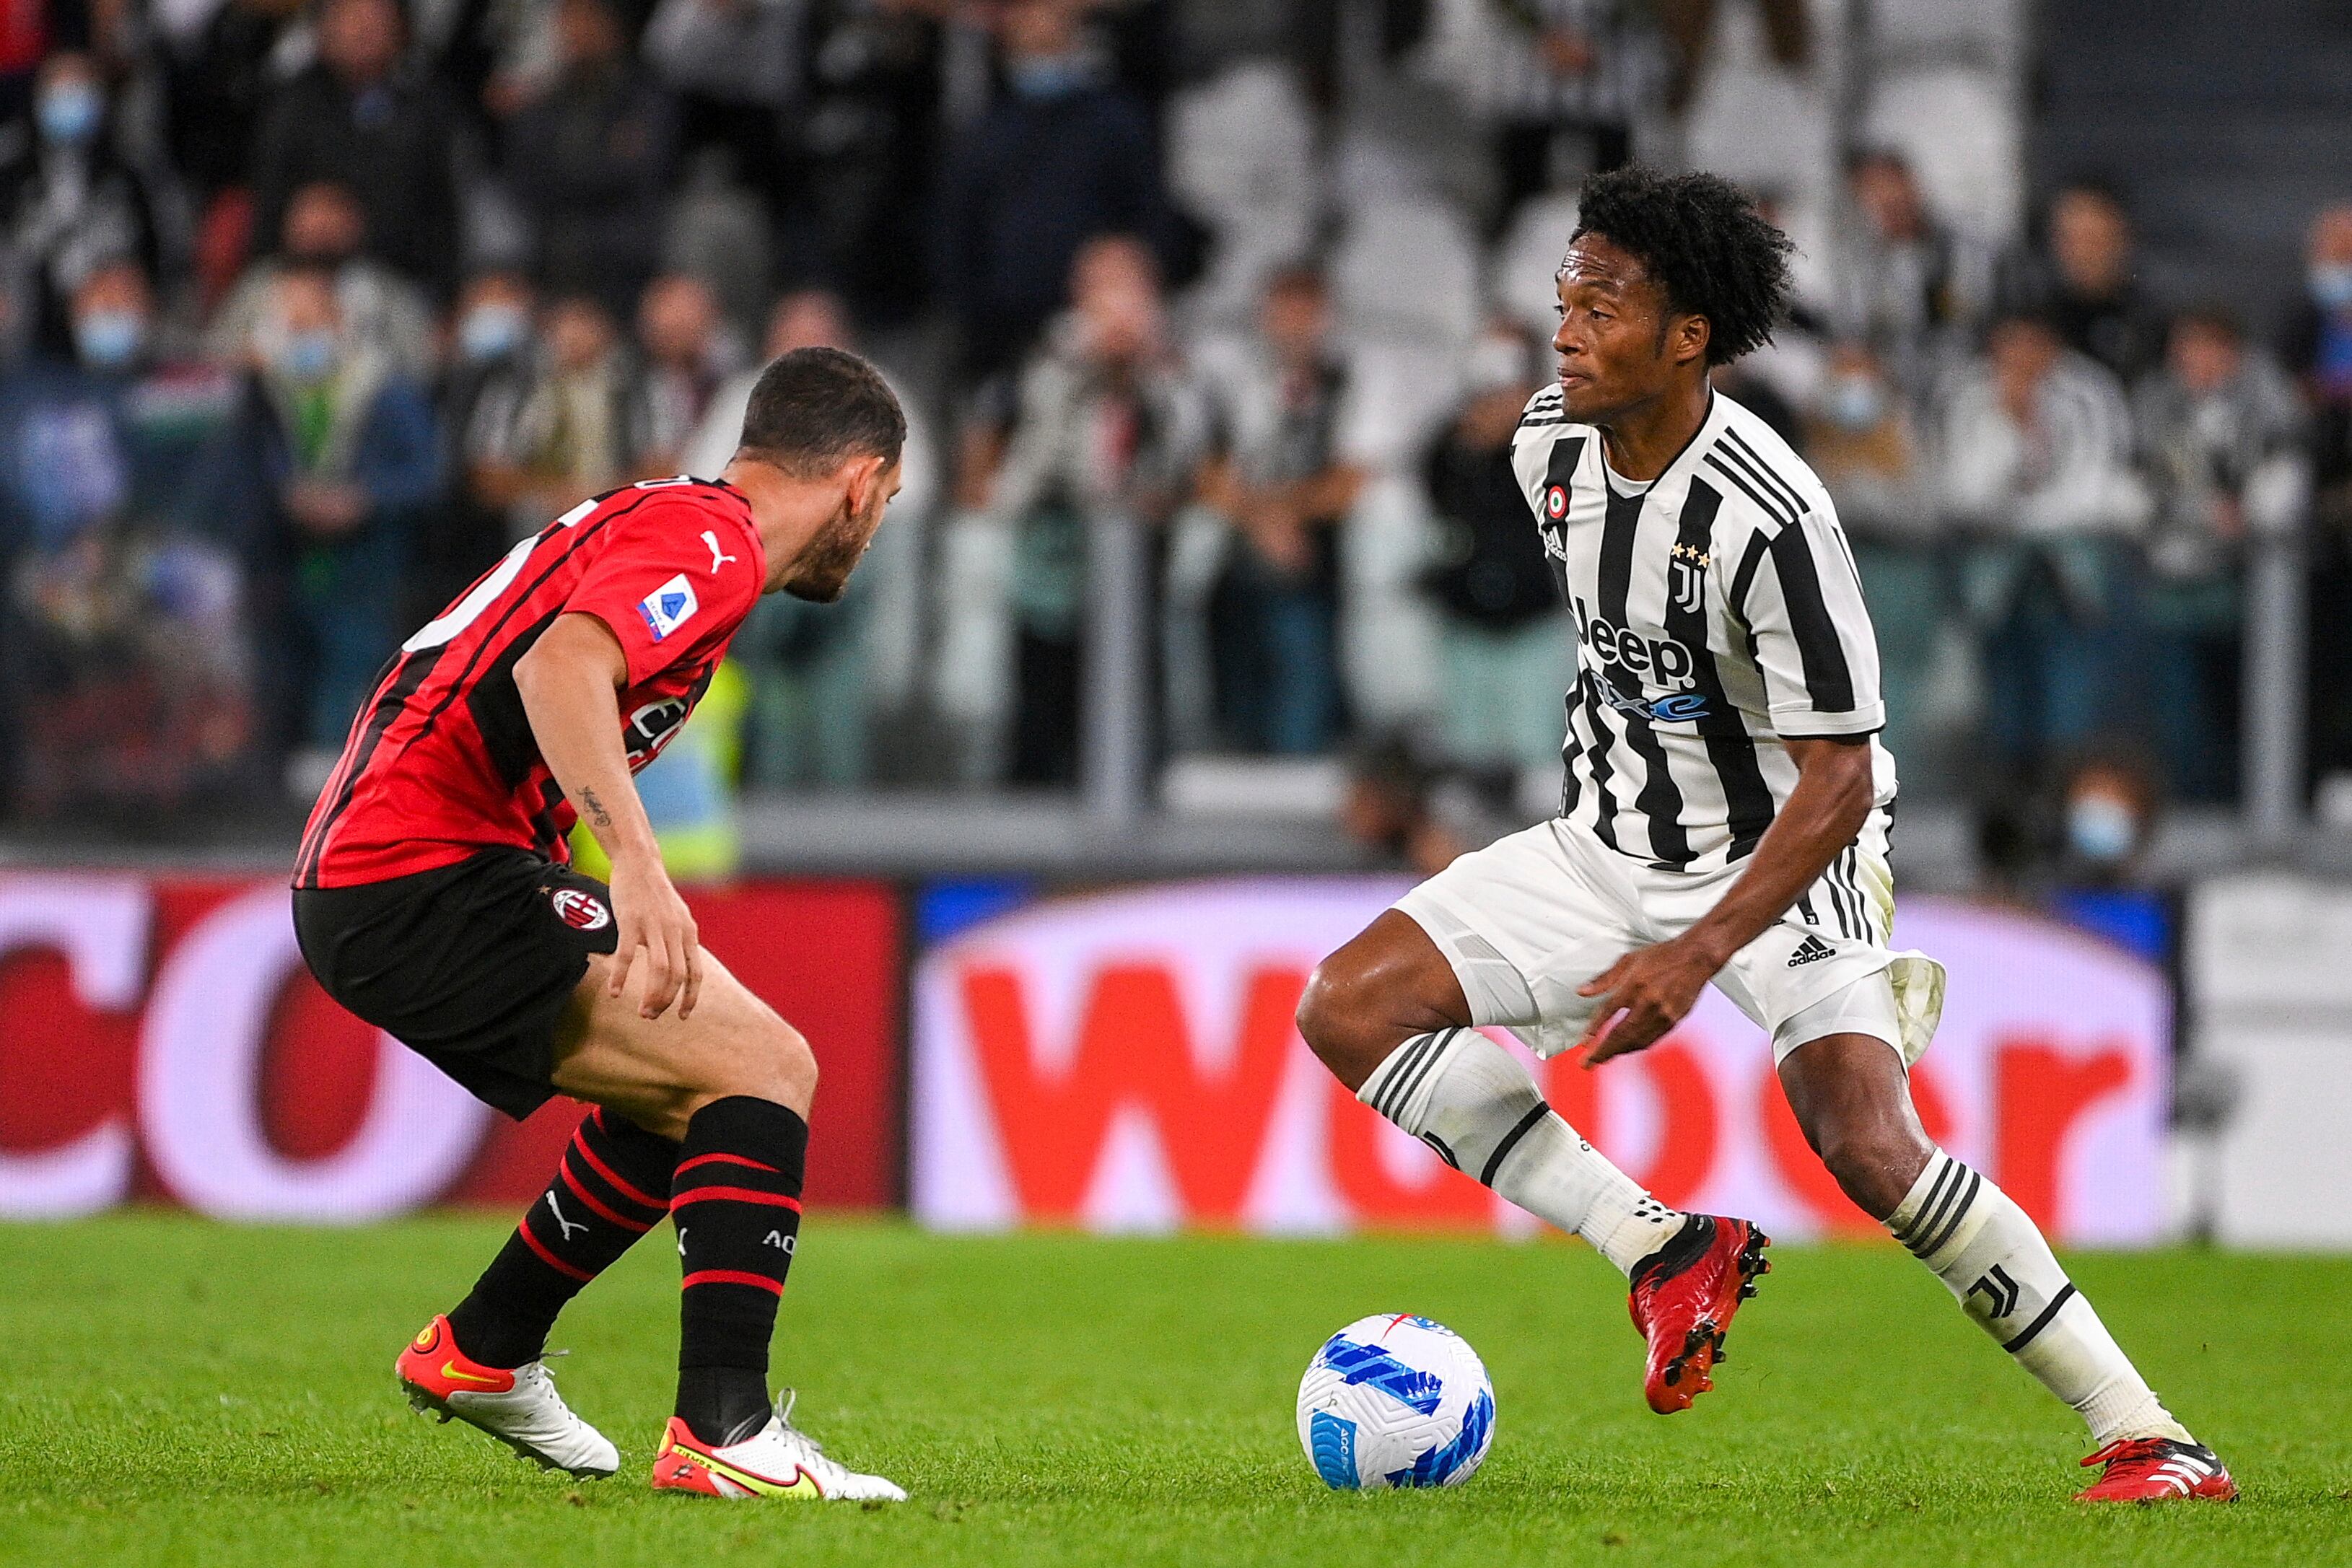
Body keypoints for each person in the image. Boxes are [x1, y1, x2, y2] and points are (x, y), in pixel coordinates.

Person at [1290, 165, 2235, 1503]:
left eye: (1601, 302)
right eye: (1564, 289)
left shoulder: (1769, 515)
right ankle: (1659, 1248)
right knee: (1346, 1006)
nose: (1563, 325)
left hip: (1786, 849)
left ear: (1687, 339)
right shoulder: (1543, 446)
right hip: (1604, 838)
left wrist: (1697, 952)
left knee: (1858, 1136)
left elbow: (1840, 773)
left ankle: (2145, 1430)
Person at [290, 346, 908, 1501]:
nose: (872, 533)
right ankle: (722, 1431)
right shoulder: (713, 544)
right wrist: (635, 861)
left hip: (399, 870)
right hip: (417, 869)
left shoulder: (675, 524)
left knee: (690, 1088)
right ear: (861, 482)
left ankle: (483, 1349)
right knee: (765, 1069)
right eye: (884, 508)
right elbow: (559, 664)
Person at [188, 263, 439, 765]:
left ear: (339, 321)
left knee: (353, 667)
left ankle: (342, 765)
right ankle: (270, 767)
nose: (300, 335)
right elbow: (221, 476)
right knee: (275, 667)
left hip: (361, 560)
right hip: (279, 557)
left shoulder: (380, 389)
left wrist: (365, 499)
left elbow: (426, 471)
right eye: (289, 323)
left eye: (312, 322)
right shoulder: (258, 395)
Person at [2132, 306, 2308, 802]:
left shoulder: (2267, 401)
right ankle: (2194, 811)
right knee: (2180, 720)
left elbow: (2281, 490)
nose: (2197, 359)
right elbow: (2134, 492)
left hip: (2246, 587)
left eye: (2210, 346)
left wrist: (2243, 513)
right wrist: (2203, 512)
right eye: (2187, 346)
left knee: (2251, 711)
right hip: (2171, 584)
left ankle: (2250, 809)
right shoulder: (2154, 404)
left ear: (2233, 353)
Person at [1194, 263, 1367, 755]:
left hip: (1313, 556)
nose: (1294, 328)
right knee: (1234, 672)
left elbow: (1349, 480)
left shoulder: (1345, 383)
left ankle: (1300, 763)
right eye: (1283, 315)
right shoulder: (1231, 384)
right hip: (1237, 557)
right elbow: (1207, 473)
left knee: (1301, 644)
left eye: (1305, 316)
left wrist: (1282, 515)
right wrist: (1262, 521)